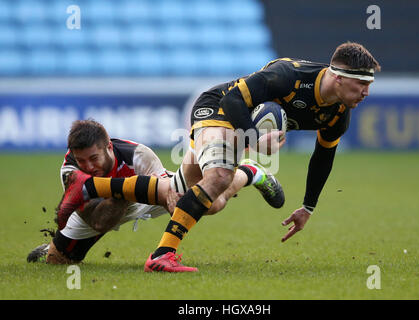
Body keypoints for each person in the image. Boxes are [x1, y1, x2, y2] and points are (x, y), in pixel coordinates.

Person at [55, 41, 380, 272]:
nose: (366, 91)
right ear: (339, 77)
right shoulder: (288, 75)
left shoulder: (338, 114)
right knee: (218, 177)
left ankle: (251, 174)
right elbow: (236, 101)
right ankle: (162, 255)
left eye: (370, 84)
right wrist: (252, 139)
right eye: (362, 82)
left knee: (206, 200)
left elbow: (322, 158)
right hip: (217, 106)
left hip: (239, 127)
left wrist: (308, 207)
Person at [28, 119, 282, 264]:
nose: (88, 167)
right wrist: (126, 190)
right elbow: (97, 220)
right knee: (58, 263)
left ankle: (251, 172)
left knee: (208, 202)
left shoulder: (138, 155)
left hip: (144, 195)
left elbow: (167, 190)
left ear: (107, 147)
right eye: (81, 161)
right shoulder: (70, 171)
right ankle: (54, 247)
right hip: (94, 211)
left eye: (93, 158)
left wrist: (176, 201)